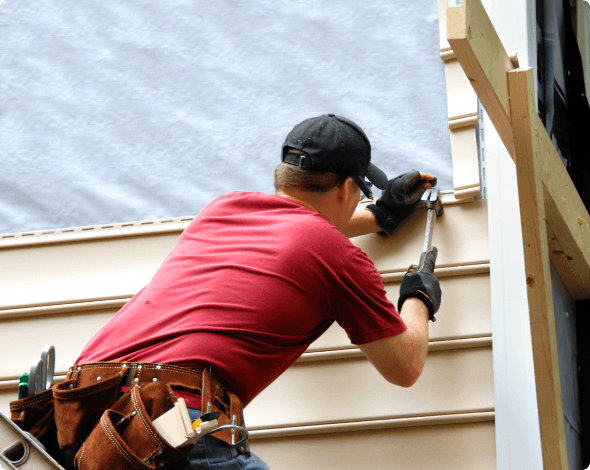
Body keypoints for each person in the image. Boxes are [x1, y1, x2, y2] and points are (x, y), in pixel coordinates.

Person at [12, 114, 441, 470]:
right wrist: (417, 298)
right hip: (166, 421)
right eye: (361, 194)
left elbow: (294, 228)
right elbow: (404, 366)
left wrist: (380, 215)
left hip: (84, 417)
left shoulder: (223, 209)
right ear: (348, 188)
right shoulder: (336, 255)